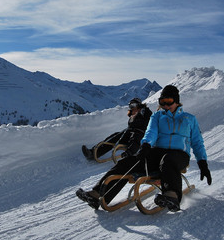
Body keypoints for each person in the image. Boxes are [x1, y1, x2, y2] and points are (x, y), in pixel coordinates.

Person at [76, 85, 212, 212]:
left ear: (176, 101)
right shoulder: (157, 116)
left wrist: (202, 163)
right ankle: (98, 194)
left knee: (168, 160)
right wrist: (146, 145)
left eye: (169, 101)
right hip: (158, 152)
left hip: (179, 155)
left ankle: (172, 196)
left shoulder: (189, 119)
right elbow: (150, 132)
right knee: (128, 162)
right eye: (162, 102)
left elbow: (197, 142)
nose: (165, 105)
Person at [81, 98, 152, 160]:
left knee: (135, 136)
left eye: (133, 105)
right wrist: (133, 117)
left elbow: (146, 126)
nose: (132, 108)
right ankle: (93, 152)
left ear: (139, 105)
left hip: (140, 136)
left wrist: (129, 152)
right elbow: (130, 126)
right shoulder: (133, 115)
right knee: (115, 136)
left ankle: (130, 153)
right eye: (130, 106)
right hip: (129, 134)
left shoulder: (146, 112)